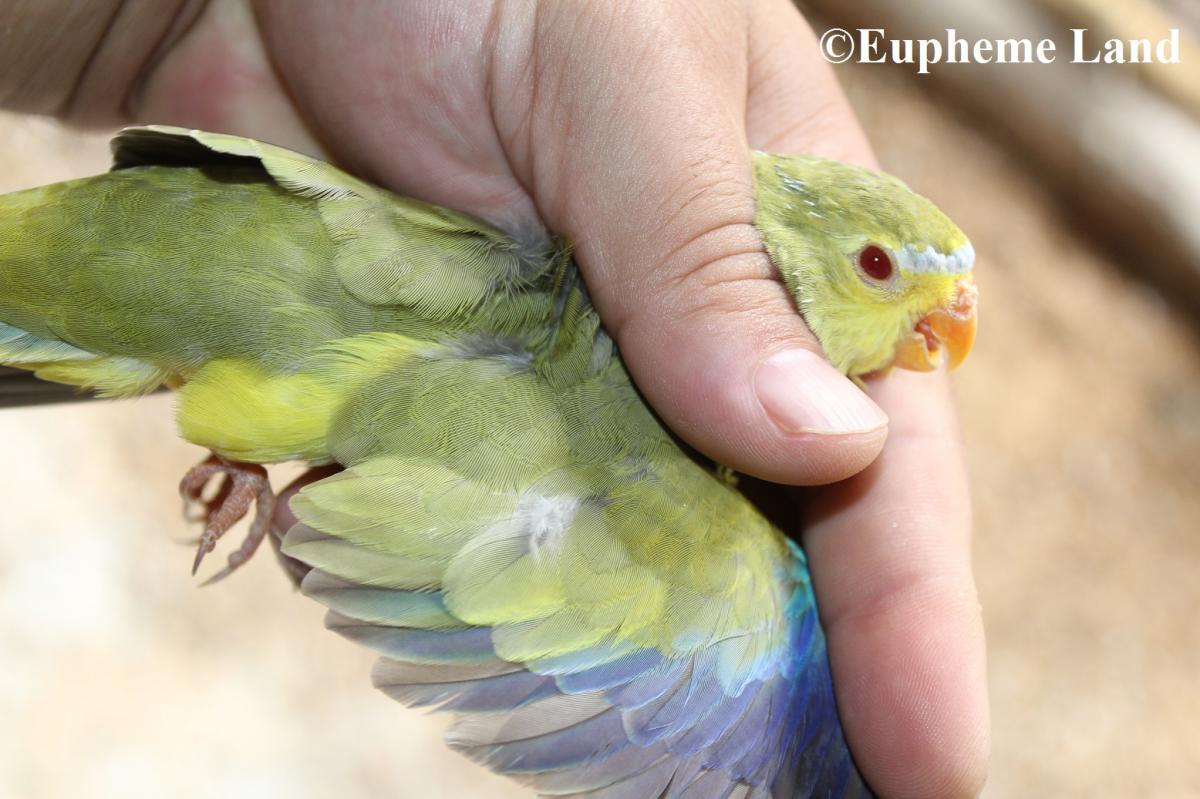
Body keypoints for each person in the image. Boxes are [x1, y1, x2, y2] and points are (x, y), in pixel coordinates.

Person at [0, 1, 988, 795]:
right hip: (212, 289)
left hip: (241, 236)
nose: (937, 320)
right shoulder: (715, 547)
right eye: (875, 268)